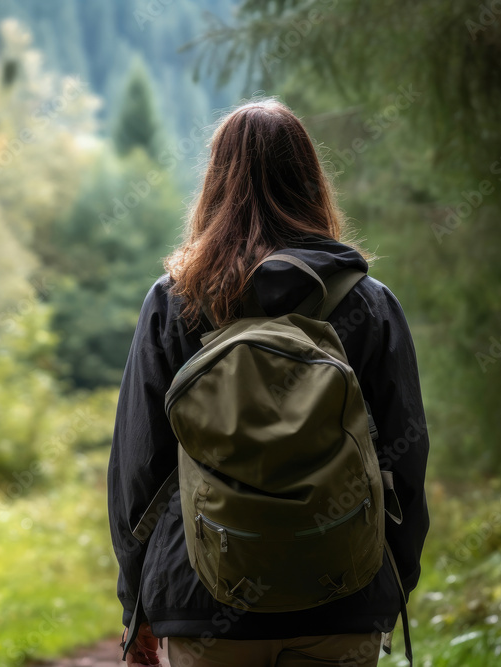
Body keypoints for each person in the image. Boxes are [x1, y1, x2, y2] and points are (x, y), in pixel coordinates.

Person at [107, 100, 430, 667]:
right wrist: (392, 580)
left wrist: (138, 606)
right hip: (342, 592)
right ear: (311, 180)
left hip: (202, 598)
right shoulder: (368, 303)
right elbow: (405, 457)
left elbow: (140, 467)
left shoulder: (175, 302)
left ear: (215, 182)